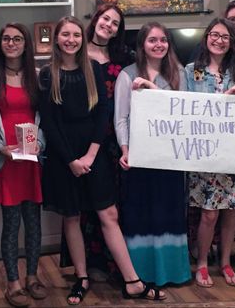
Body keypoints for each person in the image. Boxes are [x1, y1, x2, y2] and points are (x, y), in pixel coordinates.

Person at [39, 16, 164, 305]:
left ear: (82, 38)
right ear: (57, 39)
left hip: (94, 154)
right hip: (63, 158)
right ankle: (81, 277)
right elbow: (50, 123)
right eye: (65, 34)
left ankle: (132, 280)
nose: (71, 39)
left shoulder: (93, 68)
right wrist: (72, 160)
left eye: (75, 35)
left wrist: (90, 155)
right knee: (72, 218)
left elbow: (102, 114)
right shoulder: (47, 75)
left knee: (109, 216)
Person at [114, 21, 191, 287]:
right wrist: (125, 149)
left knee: (170, 211)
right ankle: (143, 272)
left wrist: (149, 86)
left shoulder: (179, 73)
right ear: (142, 45)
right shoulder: (127, 74)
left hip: (170, 157)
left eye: (163, 40)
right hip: (140, 156)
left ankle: (173, 271)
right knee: (142, 211)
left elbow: (184, 111)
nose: (159, 45)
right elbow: (121, 118)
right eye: (152, 40)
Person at [59, 3, 133, 279]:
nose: (109, 25)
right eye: (106, 19)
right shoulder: (76, 53)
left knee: (111, 205)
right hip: (85, 139)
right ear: (96, 20)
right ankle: (90, 265)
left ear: (118, 30)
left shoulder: (124, 57)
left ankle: (114, 265)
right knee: (84, 207)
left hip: (115, 138)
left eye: (115, 23)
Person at [185, 17, 235, 288]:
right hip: (205, 155)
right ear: (206, 38)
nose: (219, 40)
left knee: (230, 211)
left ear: (232, 42)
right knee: (209, 213)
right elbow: (182, 109)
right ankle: (203, 262)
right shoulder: (192, 71)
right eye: (215, 35)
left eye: (225, 37)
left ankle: (225, 261)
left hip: (234, 154)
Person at [0, 23, 45, 308]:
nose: (11, 43)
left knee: (34, 223)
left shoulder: (37, 77)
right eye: (6, 38)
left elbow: (44, 117)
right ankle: (13, 283)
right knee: (11, 224)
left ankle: (32, 277)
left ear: (25, 44)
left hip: (30, 161)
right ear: (0, 43)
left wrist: (39, 143)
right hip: (6, 160)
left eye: (17, 38)